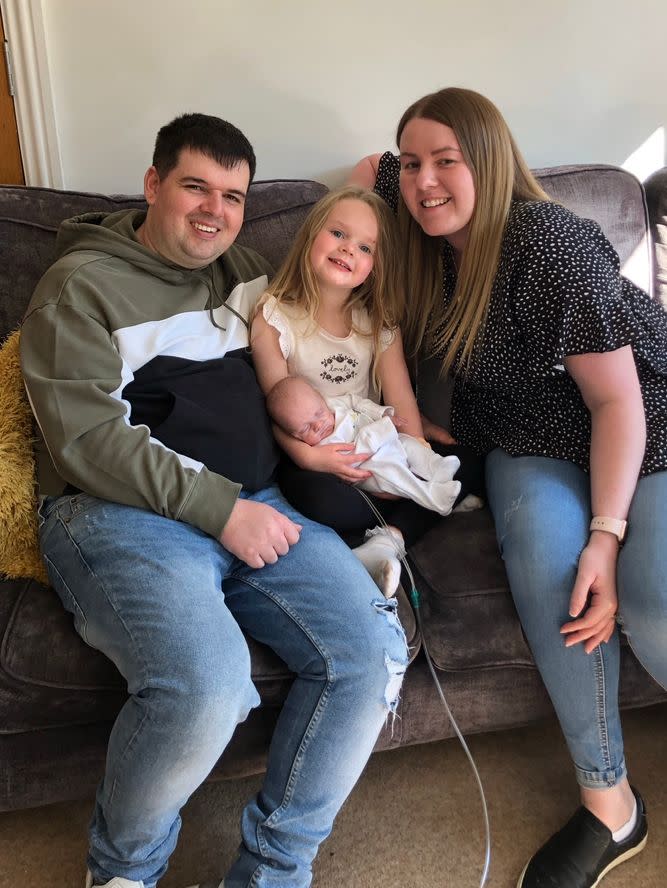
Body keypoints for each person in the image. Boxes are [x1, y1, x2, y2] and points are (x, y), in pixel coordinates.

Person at [19, 113, 409, 888]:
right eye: (195, 187)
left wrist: (377, 182)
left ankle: (273, 871)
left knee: (371, 657)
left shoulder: (246, 272)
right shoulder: (80, 287)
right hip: (121, 516)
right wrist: (220, 511)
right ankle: (122, 871)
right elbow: (87, 442)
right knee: (205, 689)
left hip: (261, 501)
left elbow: (337, 271)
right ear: (154, 185)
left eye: (232, 195)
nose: (214, 211)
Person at [349, 86, 667, 888]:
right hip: (525, 435)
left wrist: (607, 533)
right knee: (543, 568)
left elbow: (614, 401)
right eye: (413, 163)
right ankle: (610, 805)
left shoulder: (549, 243)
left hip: (639, 423)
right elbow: (368, 170)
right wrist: (390, 181)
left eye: (447, 162)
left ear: (489, 163)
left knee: (650, 588)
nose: (424, 182)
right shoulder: (418, 211)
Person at [250, 186, 484, 595]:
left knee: (473, 461)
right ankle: (422, 506)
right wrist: (315, 459)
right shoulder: (274, 317)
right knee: (312, 496)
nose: (348, 251)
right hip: (320, 455)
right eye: (338, 234)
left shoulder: (376, 321)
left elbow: (401, 401)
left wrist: (418, 456)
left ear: (375, 265)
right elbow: (277, 410)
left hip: (380, 443)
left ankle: (388, 539)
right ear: (311, 234)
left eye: (365, 247)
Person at [266, 374, 463, 519]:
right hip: (371, 469)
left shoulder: (334, 405)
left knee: (410, 444)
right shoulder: (324, 446)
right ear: (294, 436)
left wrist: (382, 414)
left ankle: (438, 468)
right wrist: (382, 430)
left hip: (387, 441)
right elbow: (356, 456)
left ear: (320, 398)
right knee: (397, 475)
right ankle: (435, 498)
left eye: (318, 414)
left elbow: (357, 402)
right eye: (305, 428)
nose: (319, 425)